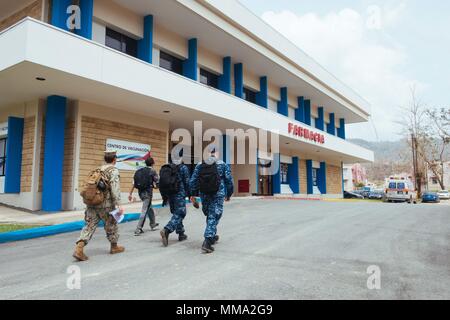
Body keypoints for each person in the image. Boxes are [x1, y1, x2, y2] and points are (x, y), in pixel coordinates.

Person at [73, 150, 125, 261]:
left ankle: (79, 249)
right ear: (114, 159)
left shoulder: (98, 170)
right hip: (106, 205)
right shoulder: (113, 171)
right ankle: (114, 247)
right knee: (111, 225)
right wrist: (119, 204)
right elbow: (115, 189)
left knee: (89, 226)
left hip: (92, 203)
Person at [190, 147, 233, 253]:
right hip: (218, 193)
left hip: (204, 193)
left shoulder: (200, 165)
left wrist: (192, 194)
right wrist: (229, 194)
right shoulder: (222, 164)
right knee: (214, 215)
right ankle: (207, 241)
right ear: (217, 153)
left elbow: (193, 181)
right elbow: (229, 181)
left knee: (210, 214)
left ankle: (212, 235)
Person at [159, 155, 191, 247]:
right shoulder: (183, 167)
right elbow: (187, 182)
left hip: (170, 194)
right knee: (180, 213)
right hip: (179, 194)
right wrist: (190, 194)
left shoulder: (168, 167)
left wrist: (164, 197)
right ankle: (167, 230)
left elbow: (162, 183)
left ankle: (181, 233)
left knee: (176, 213)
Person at [128, 157, 160, 236]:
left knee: (149, 207)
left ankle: (153, 224)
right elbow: (158, 182)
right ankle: (138, 228)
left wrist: (130, 194)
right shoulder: (152, 171)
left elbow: (133, 183)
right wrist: (157, 187)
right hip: (147, 193)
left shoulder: (139, 171)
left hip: (140, 193)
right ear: (152, 164)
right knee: (144, 210)